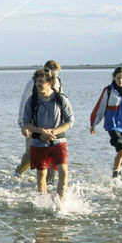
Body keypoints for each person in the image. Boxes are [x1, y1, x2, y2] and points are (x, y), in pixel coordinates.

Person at [21, 69, 74, 200]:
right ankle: (43, 201)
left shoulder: (61, 99)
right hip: (38, 143)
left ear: (50, 83)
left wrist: (54, 132)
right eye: (36, 82)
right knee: (41, 174)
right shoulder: (31, 101)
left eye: (40, 82)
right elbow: (26, 123)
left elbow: (70, 121)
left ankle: (60, 202)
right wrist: (42, 131)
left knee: (63, 171)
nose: (37, 84)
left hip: (58, 142)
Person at [90, 67, 122, 178]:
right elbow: (100, 108)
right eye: (118, 78)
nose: (120, 80)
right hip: (112, 125)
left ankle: (121, 179)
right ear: (114, 77)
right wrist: (93, 125)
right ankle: (114, 174)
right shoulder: (108, 90)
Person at [16, 60, 63, 180]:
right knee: (31, 153)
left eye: (56, 74)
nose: (54, 77)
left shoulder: (58, 82)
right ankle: (19, 171)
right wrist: (22, 124)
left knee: (53, 153)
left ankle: (50, 182)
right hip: (33, 124)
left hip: (53, 126)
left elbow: (60, 104)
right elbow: (23, 102)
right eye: (52, 74)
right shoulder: (32, 83)